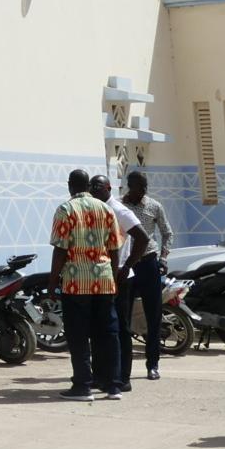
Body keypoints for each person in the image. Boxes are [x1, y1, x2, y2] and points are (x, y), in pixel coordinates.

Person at [50, 170, 122, 402]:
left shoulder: (66, 210)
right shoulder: (106, 209)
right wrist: (114, 274)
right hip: (103, 279)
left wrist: (52, 282)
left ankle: (82, 385)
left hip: (76, 281)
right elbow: (114, 247)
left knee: (78, 335)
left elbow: (60, 248)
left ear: (71, 185)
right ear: (89, 186)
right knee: (107, 333)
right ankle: (112, 385)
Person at [93, 175, 150, 393]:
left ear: (108, 188)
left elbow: (142, 238)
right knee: (102, 327)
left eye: (98, 187)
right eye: (91, 188)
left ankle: (123, 376)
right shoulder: (97, 209)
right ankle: (101, 375)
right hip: (102, 276)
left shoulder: (118, 210)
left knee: (121, 328)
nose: (93, 191)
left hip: (120, 276)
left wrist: (127, 266)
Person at [123, 170, 173, 382]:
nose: (142, 191)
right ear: (129, 185)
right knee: (122, 313)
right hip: (126, 266)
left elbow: (167, 232)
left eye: (144, 187)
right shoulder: (119, 206)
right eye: (137, 187)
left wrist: (163, 257)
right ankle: (122, 365)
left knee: (153, 314)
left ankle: (152, 364)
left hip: (148, 262)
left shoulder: (153, 206)